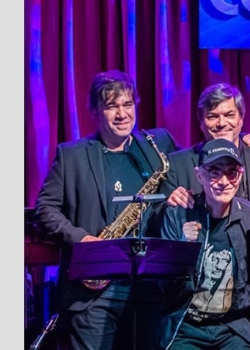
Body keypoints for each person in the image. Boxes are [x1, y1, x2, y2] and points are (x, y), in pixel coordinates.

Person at [33, 70, 179, 349]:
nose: (122, 114)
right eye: (111, 106)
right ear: (95, 111)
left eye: (128, 104)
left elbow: (201, 160)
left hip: (147, 291)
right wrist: (82, 240)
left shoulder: (157, 146)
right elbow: (45, 210)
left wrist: (243, 139)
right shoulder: (71, 155)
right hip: (92, 295)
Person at [160, 83, 250, 347]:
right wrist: (168, 203)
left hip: (245, 304)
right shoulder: (178, 163)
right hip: (194, 303)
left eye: (229, 114)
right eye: (213, 115)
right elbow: (163, 231)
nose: (221, 122)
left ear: (241, 119)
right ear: (201, 122)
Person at [158, 138, 250, 349]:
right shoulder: (178, 215)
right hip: (186, 327)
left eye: (231, 172)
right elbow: (165, 289)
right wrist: (184, 249)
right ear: (199, 175)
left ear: (240, 175)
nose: (224, 181)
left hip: (233, 328)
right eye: (215, 172)